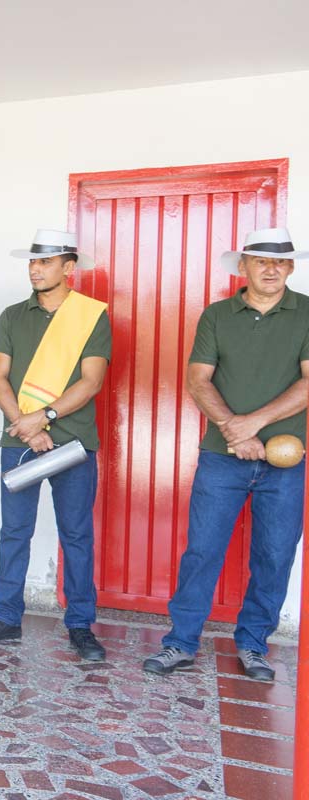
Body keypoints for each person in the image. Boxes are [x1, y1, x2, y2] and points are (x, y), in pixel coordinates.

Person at [144, 227, 309, 681]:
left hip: (286, 461)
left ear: (291, 267)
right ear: (244, 267)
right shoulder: (217, 315)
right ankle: (180, 642)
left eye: (280, 261)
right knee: (203, 550)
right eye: (260, 260)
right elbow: (199, 380)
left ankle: (254, 645)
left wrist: (250, 425)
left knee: (275, 555)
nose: (271, 268)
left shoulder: (308, 313)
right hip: (222, 456)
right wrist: (233, 434)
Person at [0, 229, 111, 662]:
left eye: (45, 262)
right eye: (33, 261)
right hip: (20, 440)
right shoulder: (13, 315)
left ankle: (81, 625)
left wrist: (44, 417)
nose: (35, 268)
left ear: (69, 268)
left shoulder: (91, 315)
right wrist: (26, 426)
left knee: (76, 535)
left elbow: (92, 380)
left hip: (74, 442)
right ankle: (7, 617)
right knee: (14, 532)